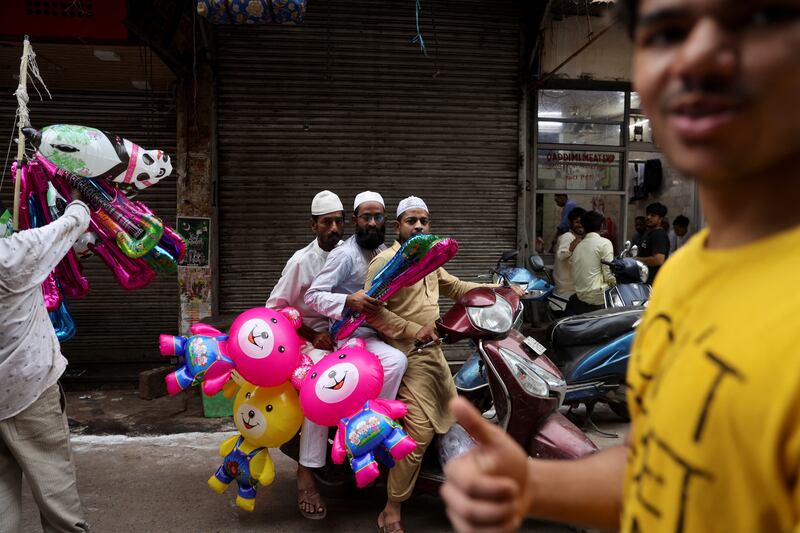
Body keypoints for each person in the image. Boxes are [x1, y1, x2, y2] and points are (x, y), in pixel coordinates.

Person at [440, 0, 800, 532]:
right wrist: (530, 486)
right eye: (667, 31)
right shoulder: (684, 277)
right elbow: (660, 473)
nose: (696, 54)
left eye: (757, 18)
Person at [364, 196, 523, 533]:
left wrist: (501, 290)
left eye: (424, 221)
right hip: (407, 357)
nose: (419, 226)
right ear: (398, 227)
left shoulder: (431, 260)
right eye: (411, 221)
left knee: (457, 419)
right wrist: (412, 330)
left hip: (434, 355)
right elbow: (371, 310)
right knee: (419, 432)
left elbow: (456, 286)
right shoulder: (386, 262)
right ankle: (392, 507)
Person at [0, 192, 91, 533]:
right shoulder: (14, 254)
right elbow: (73, 222)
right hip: (29, 391)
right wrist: (79, 197)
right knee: (57, 498)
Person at [265, 190, 344, 520]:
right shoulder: (300, 262)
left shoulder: (350, 254)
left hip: (345, 338)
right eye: (327, 222)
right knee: (320, 389)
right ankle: (306, 475)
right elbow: (275, 309)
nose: (335, 229)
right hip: (308, 341)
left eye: (340, 222)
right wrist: (313, 335)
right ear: (313, 225)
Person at [304, 191, 407, 401]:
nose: (372, 223)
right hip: (352, 334)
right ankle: (376, 416)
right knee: (396, 361)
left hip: (381, 331)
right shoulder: (344, 255)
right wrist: (348, 300)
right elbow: (313, 295)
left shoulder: (382, 250)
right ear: (354, 221)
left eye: (377, 217)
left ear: (385, 221)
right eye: (366, 217)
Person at [566, 210, 615, 315]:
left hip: (581, 295)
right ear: (601, 226)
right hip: (599, 297)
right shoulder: (605, 243)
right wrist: (620, 282)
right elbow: (608, 274)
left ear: (583, 226)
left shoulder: (578, 246)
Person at [552, 207, 586, 304]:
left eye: (582, 222)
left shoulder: (580, 239)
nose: (580, 225)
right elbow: (561, 255)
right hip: (567, 293)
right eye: (577, 222)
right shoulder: (567, 237)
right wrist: (572, 247)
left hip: (576, 290)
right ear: (570, 223)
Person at [638, 202, 670, 283]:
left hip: (654, 282)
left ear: (660, 219)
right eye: (648, 214)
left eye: (653, 215)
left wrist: (635, 260)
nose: (648, 217)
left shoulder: (659, 235)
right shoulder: (648, 232)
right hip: (644, 279)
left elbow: (658, 260)